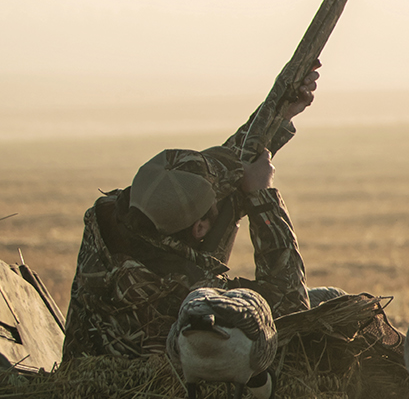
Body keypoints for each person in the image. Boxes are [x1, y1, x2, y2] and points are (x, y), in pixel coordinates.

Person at [62, 67, 319, 361]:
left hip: (84, 376)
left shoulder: (104, 226)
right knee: (328, 299)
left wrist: (280, 112)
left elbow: (209, 173)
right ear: (199, 229)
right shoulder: (189, 290)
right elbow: (292, 306)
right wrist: (262, 197)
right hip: (157, 387)